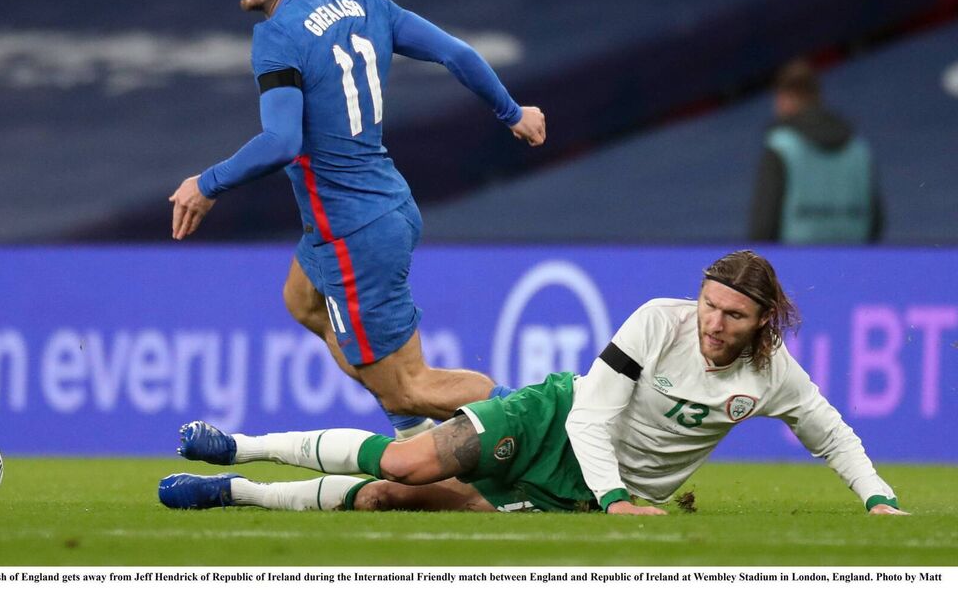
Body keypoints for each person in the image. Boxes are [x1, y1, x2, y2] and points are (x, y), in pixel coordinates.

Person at [168, 0, 545, 438]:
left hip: (354, 230)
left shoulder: (278, 36)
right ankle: (418, 443)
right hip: (377, 208)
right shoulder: (371, 7)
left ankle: (545, 418)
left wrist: (206, 184)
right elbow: (457, 54)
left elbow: (280, 141)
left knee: (411, 385)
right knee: (301, 299)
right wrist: (514, 112)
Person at [158, 250, 906, 517]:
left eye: (731, 315)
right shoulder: (658, 321)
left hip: (572, 494)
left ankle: (235, 496)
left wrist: (876, 497)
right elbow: (592, 418)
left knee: (392, 497)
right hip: (553, 422)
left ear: (761, 319)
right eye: (709, 304)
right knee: (404, 461)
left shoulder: (771, 375)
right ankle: (240, 446)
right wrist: (618, 499)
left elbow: (829, 431)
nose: (713, 322)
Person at [748, 58, 882, 243]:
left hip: (795, 264)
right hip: (852, 262)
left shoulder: (781, 147)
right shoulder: (858, 148)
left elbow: (764, 223)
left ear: (784, 97)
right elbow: (876, 220)